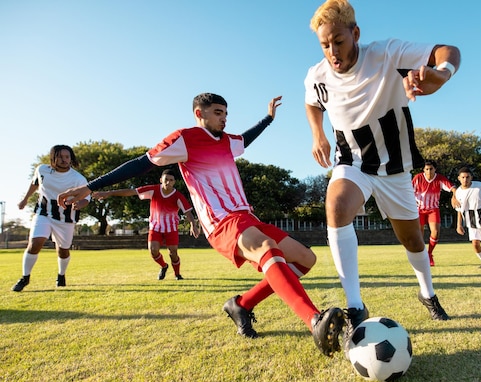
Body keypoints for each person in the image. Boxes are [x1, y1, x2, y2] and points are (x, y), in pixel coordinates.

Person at [58, 94, 346, 357]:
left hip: (246, 215)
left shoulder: (226, 141)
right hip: (220, 220)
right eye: (218, 112)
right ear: (200, 113)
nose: (224, 118)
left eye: (226, 113)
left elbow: (245, 140)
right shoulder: (185, 139)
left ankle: (242, 305)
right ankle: (314, 321)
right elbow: (141, 163)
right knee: (267, 249)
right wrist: (90, 186)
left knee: (306, 259)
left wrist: (268, 119)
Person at [304, 0, 459, 346]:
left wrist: (441, 74)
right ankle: (355, 308)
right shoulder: (317, 75)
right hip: (353, 163)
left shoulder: (388, 54)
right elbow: (312, 102)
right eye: (324, 45)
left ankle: (427, 293)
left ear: (355, 33)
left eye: (339, 41)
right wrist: (317, 134)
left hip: (395, 169)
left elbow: (449, 51)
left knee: (413, 240)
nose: (332, 51)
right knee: (337, 205)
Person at [93, 169, 200, 280]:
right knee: (153, 250)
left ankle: (177, 274)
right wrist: (110, 193)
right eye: (166, 180)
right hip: (155, 227)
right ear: (161, 180)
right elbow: (132, 191)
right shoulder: (153, 190)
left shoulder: (178, 196)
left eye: (171, 180)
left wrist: (193, 224)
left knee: (173, 252)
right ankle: (164, 266)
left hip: (171, 228)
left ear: (174, 182)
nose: (168, 182)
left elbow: (188, 212)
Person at [12, 145, 90, 291]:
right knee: (35, 242)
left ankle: (61, 275)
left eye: (67, 157)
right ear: (53, 158)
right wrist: (25, 199)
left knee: (63, 250)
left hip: (65, 219)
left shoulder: (78, 178)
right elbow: (35, 183)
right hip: (43, 213)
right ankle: (25, 277)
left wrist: (79, 203)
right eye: (60, 157)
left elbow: (87, 198)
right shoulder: (42, 170)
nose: (64, 160)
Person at [411, 161, 458, 267]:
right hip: (419, 209)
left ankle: (429, 254)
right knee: (419, 234)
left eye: (431, 169)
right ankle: (421, 256)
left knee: (435, 232)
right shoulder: (418, 178)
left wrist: (454, 196)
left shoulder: (440, 178)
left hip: (433, 209)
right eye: (426, 169)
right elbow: (409, 191)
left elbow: (452, 188)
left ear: (435, 169)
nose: (429, 171)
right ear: (423, 170)